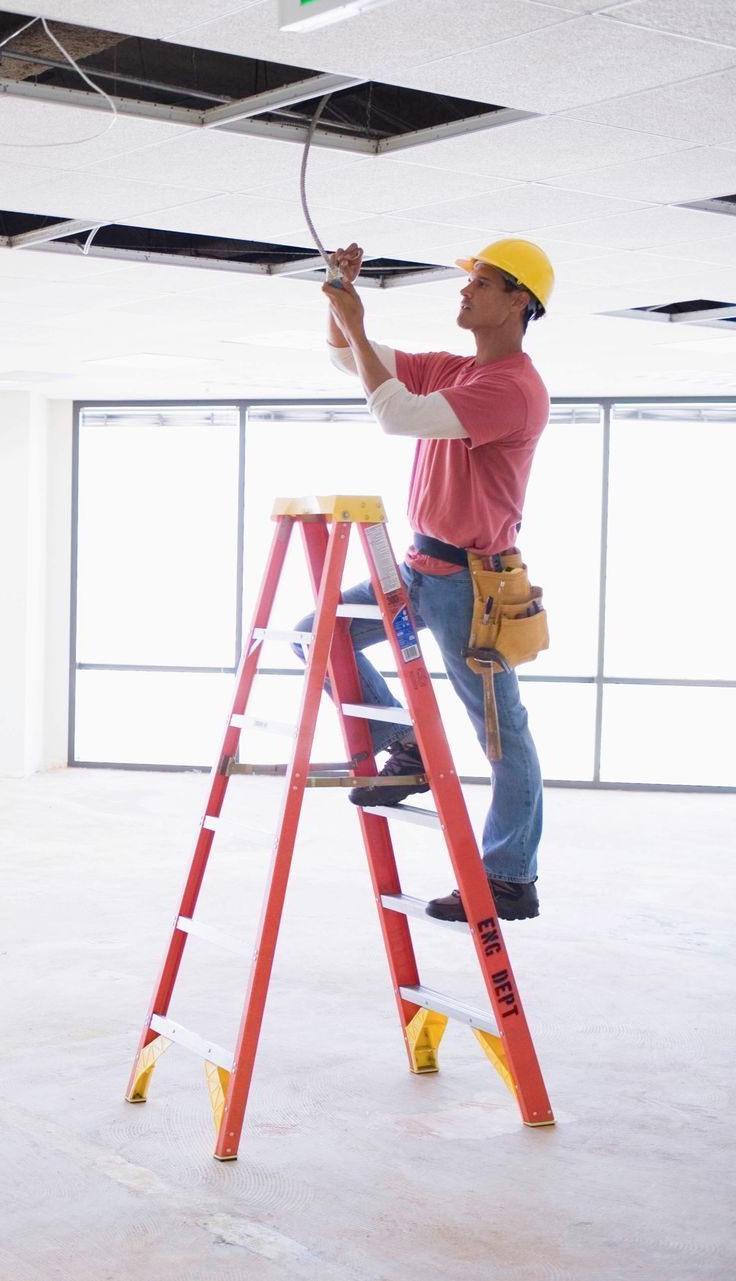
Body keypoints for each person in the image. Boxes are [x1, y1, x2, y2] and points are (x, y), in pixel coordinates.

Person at [309, 238, 555, 922]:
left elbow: (393, 414)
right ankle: (408, 744)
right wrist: (336, 291)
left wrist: (357, 321)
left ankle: (509, 875)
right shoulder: (458, 369)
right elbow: (345, 358)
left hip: (471, 587)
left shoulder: (514, 389)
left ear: (519, 301)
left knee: (502, 736)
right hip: (418, 568)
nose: (465, 291)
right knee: (317, 637)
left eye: (482, 282)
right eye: (467, 281)